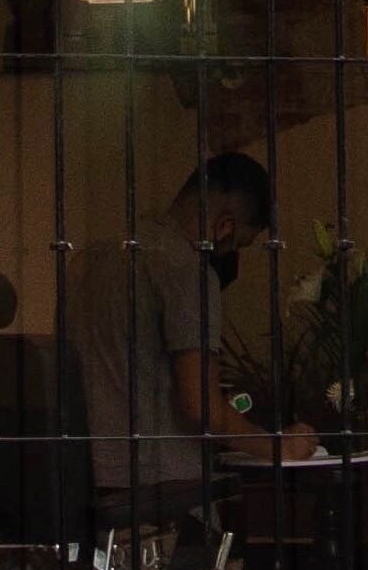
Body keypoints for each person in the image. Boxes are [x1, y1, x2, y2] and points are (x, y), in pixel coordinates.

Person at [70, 152, 315, 521]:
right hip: (164, 493)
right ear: (225, 227)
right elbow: (200, 407)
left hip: (86, 482)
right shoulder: (186, 271)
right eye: (239, 244)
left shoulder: (90, 259)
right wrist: (280, 446)